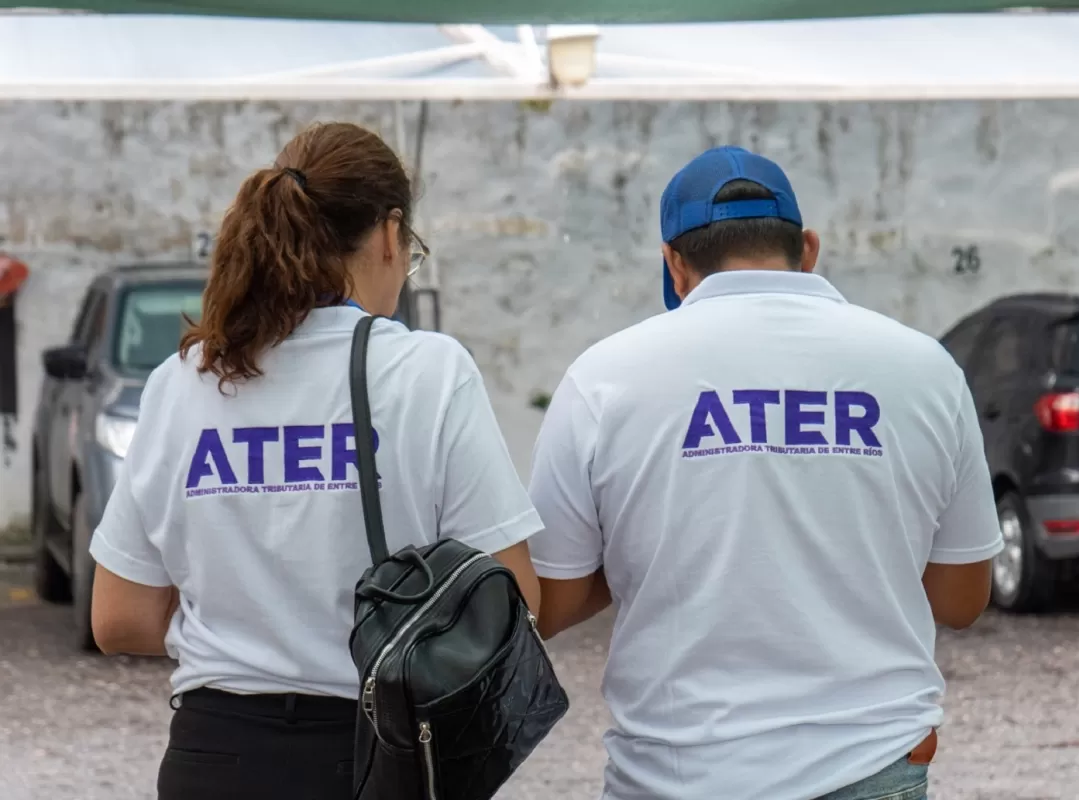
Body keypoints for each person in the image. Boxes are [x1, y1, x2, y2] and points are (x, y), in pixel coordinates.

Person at [526, 145, 1001, 800]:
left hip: (674, 777)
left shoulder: (604, 377)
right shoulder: (925, 369)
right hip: (871, 766)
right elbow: (961, 599)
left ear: (673, 263)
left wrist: (655, 545)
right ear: (808, 248)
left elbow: (548, 601)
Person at [87, 122, 544, 800]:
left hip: (215, 757)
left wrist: (246, 629)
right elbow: (515, 598)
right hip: (374, 753)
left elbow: (118, 617)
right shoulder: (427, 371)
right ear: (389, 235)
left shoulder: (183, 381)